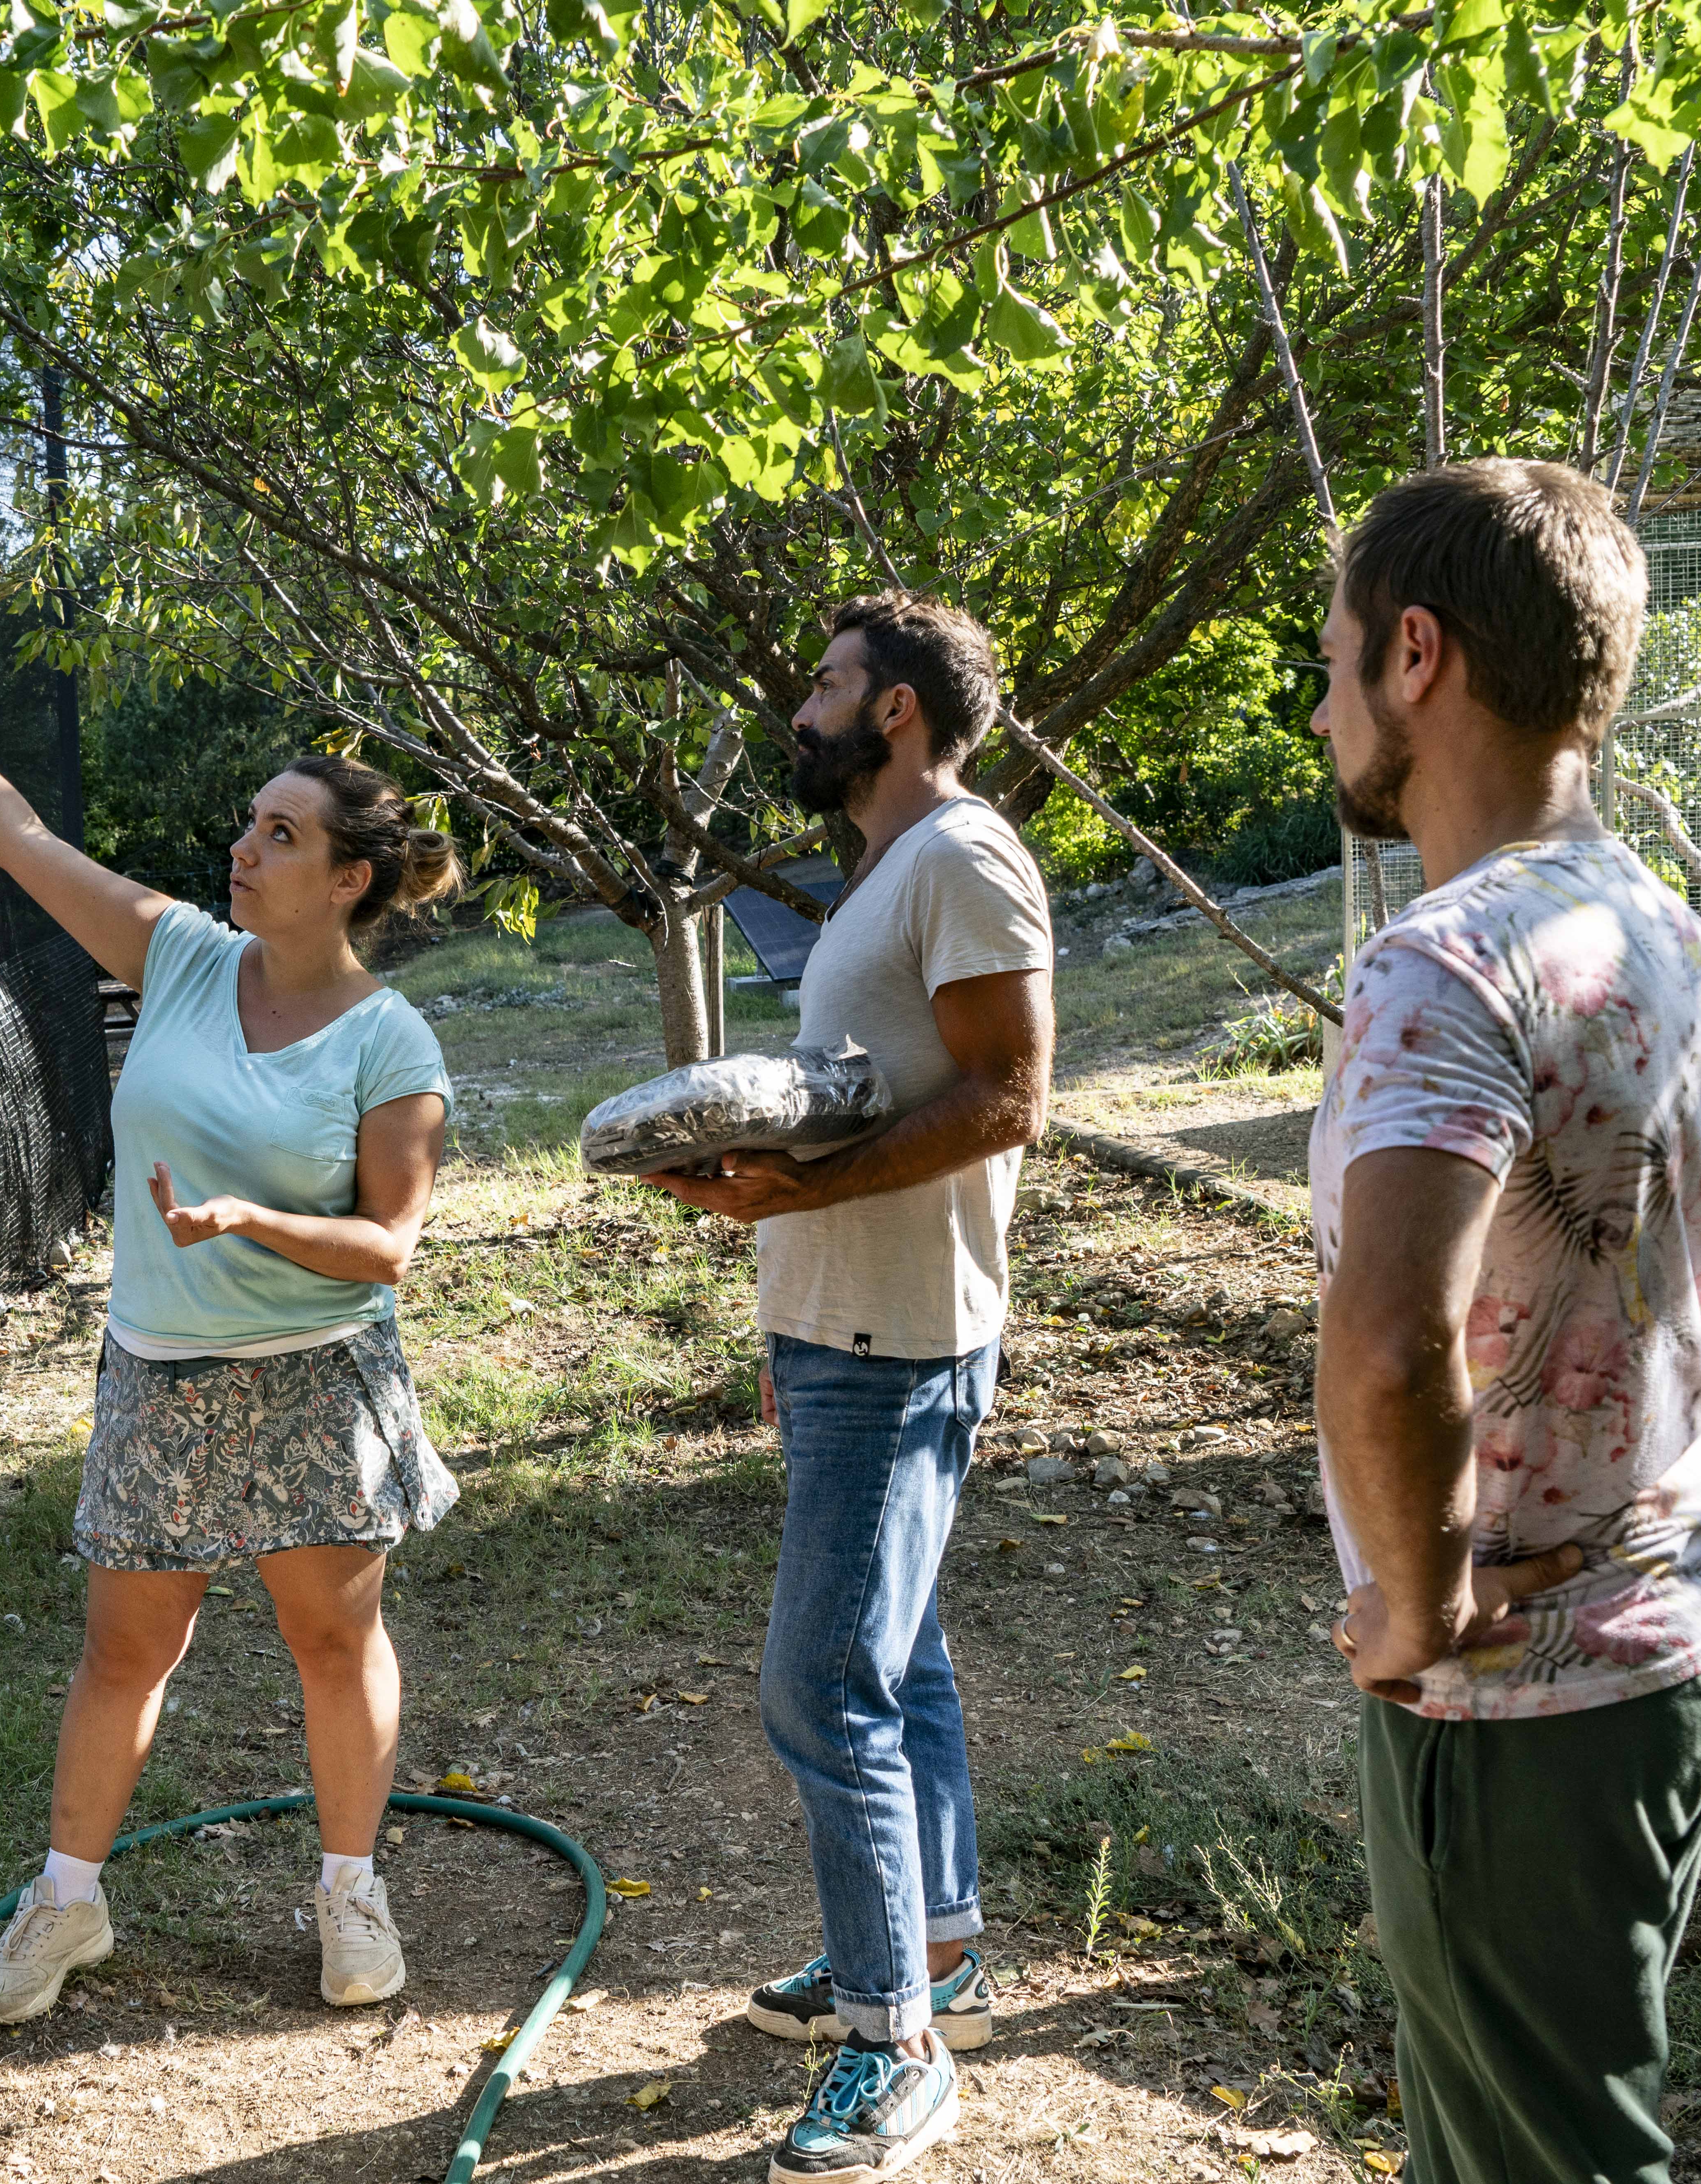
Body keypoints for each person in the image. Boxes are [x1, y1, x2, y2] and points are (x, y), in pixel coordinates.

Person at [0, 606, 464, 2022]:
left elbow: (387, 1245)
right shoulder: (172, 952)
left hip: (313, 1375)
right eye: (250, 825)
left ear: (352, 880)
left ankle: (352, 1890)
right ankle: (68, 1904)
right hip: (160, 1374)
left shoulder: (386, 1041)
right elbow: (21, 838)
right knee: (124, 1651)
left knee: (332, 1643)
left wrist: (250, 1222)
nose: (243, 847)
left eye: (282, 835)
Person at [1306, 460, 1701, 2184]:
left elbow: (1387, 1344)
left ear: (1413, 653)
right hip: (1678, 1625)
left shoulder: (1442, 963)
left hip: (1519, 1682)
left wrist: (1413, 1619)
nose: (1321, 699)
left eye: (1334, 653)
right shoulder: (1672, 938)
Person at [645, 594, 1053, 2184]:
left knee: (824, 1687)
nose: (800, 707)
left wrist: (803, 1215)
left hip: (903, 1343)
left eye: (825, 683)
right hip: (840, 1336)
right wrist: (787, 1306)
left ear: (895, 710)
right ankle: (927, 1946)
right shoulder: (883, 873)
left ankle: (895, 2046)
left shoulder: (962, 855)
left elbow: (1011, 1098)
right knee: (905, 1663)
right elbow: (861, 1104)